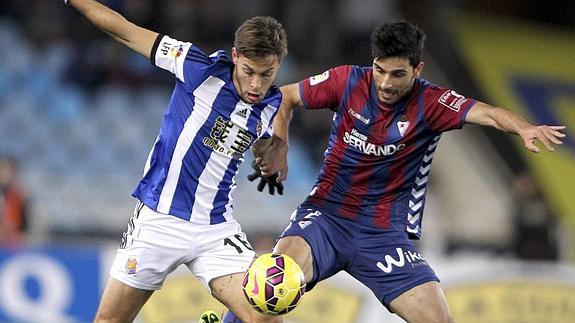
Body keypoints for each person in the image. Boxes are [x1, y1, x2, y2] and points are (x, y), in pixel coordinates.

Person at [252, 21, 566, 322]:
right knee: (272, 285)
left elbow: (490, 114)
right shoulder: (347, 81)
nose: (386, 83)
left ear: (417, 70)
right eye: (380, 70)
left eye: (398, 74)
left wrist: (524, 128)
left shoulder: (432, 103)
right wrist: (280, 143)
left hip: (383, 235)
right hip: (325, 217)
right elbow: (285, 97)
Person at [59, 1, 288, 322]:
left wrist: (276, 148)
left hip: (215, 229)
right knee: (109, 320)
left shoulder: (270, 104)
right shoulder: (196, 67)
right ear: (235, 56)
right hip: (159, 220)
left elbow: (275, 120)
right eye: (249, 72)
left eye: (266, 75)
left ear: (278, 64)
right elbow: (126, 32)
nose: (255, 85)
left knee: (267, 316)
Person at [0, 156, 28, 247]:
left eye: (7, 171)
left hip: (11, 245)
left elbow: (24, 225)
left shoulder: (19, 196)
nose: (3, 174)